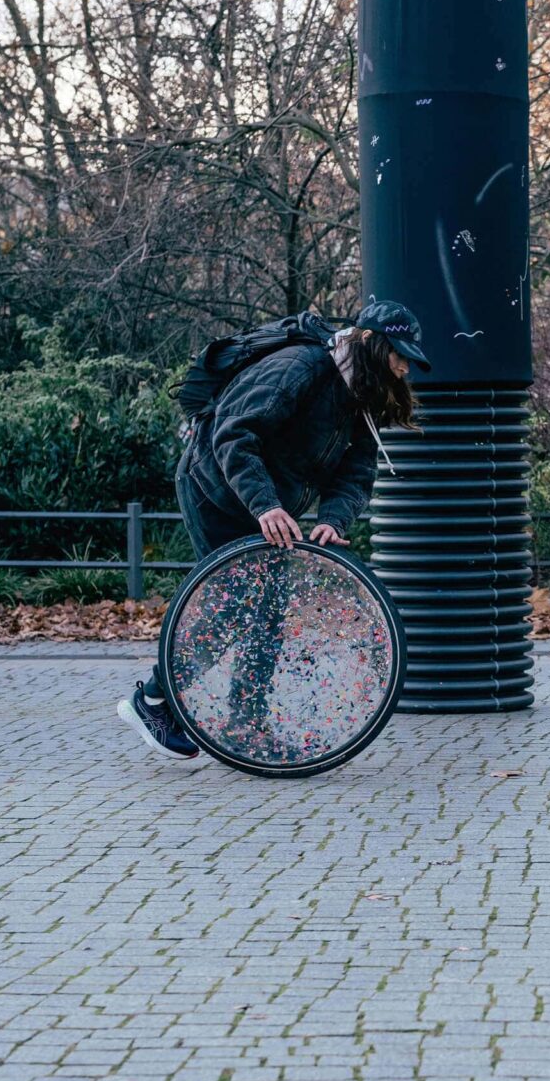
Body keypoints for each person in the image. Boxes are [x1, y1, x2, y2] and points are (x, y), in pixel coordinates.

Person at [117, 300, 429, 760]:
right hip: (215, 490)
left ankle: (245, 724)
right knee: (234, 605)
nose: (404, 367)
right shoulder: (300, 368)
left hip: (268, 505)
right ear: (368, 342)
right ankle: (151, 701)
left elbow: (357, 473)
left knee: (267, 613)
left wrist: (331, 521)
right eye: (398, 354)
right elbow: (234, 434)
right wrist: (264, 505)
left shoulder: (362, 395)